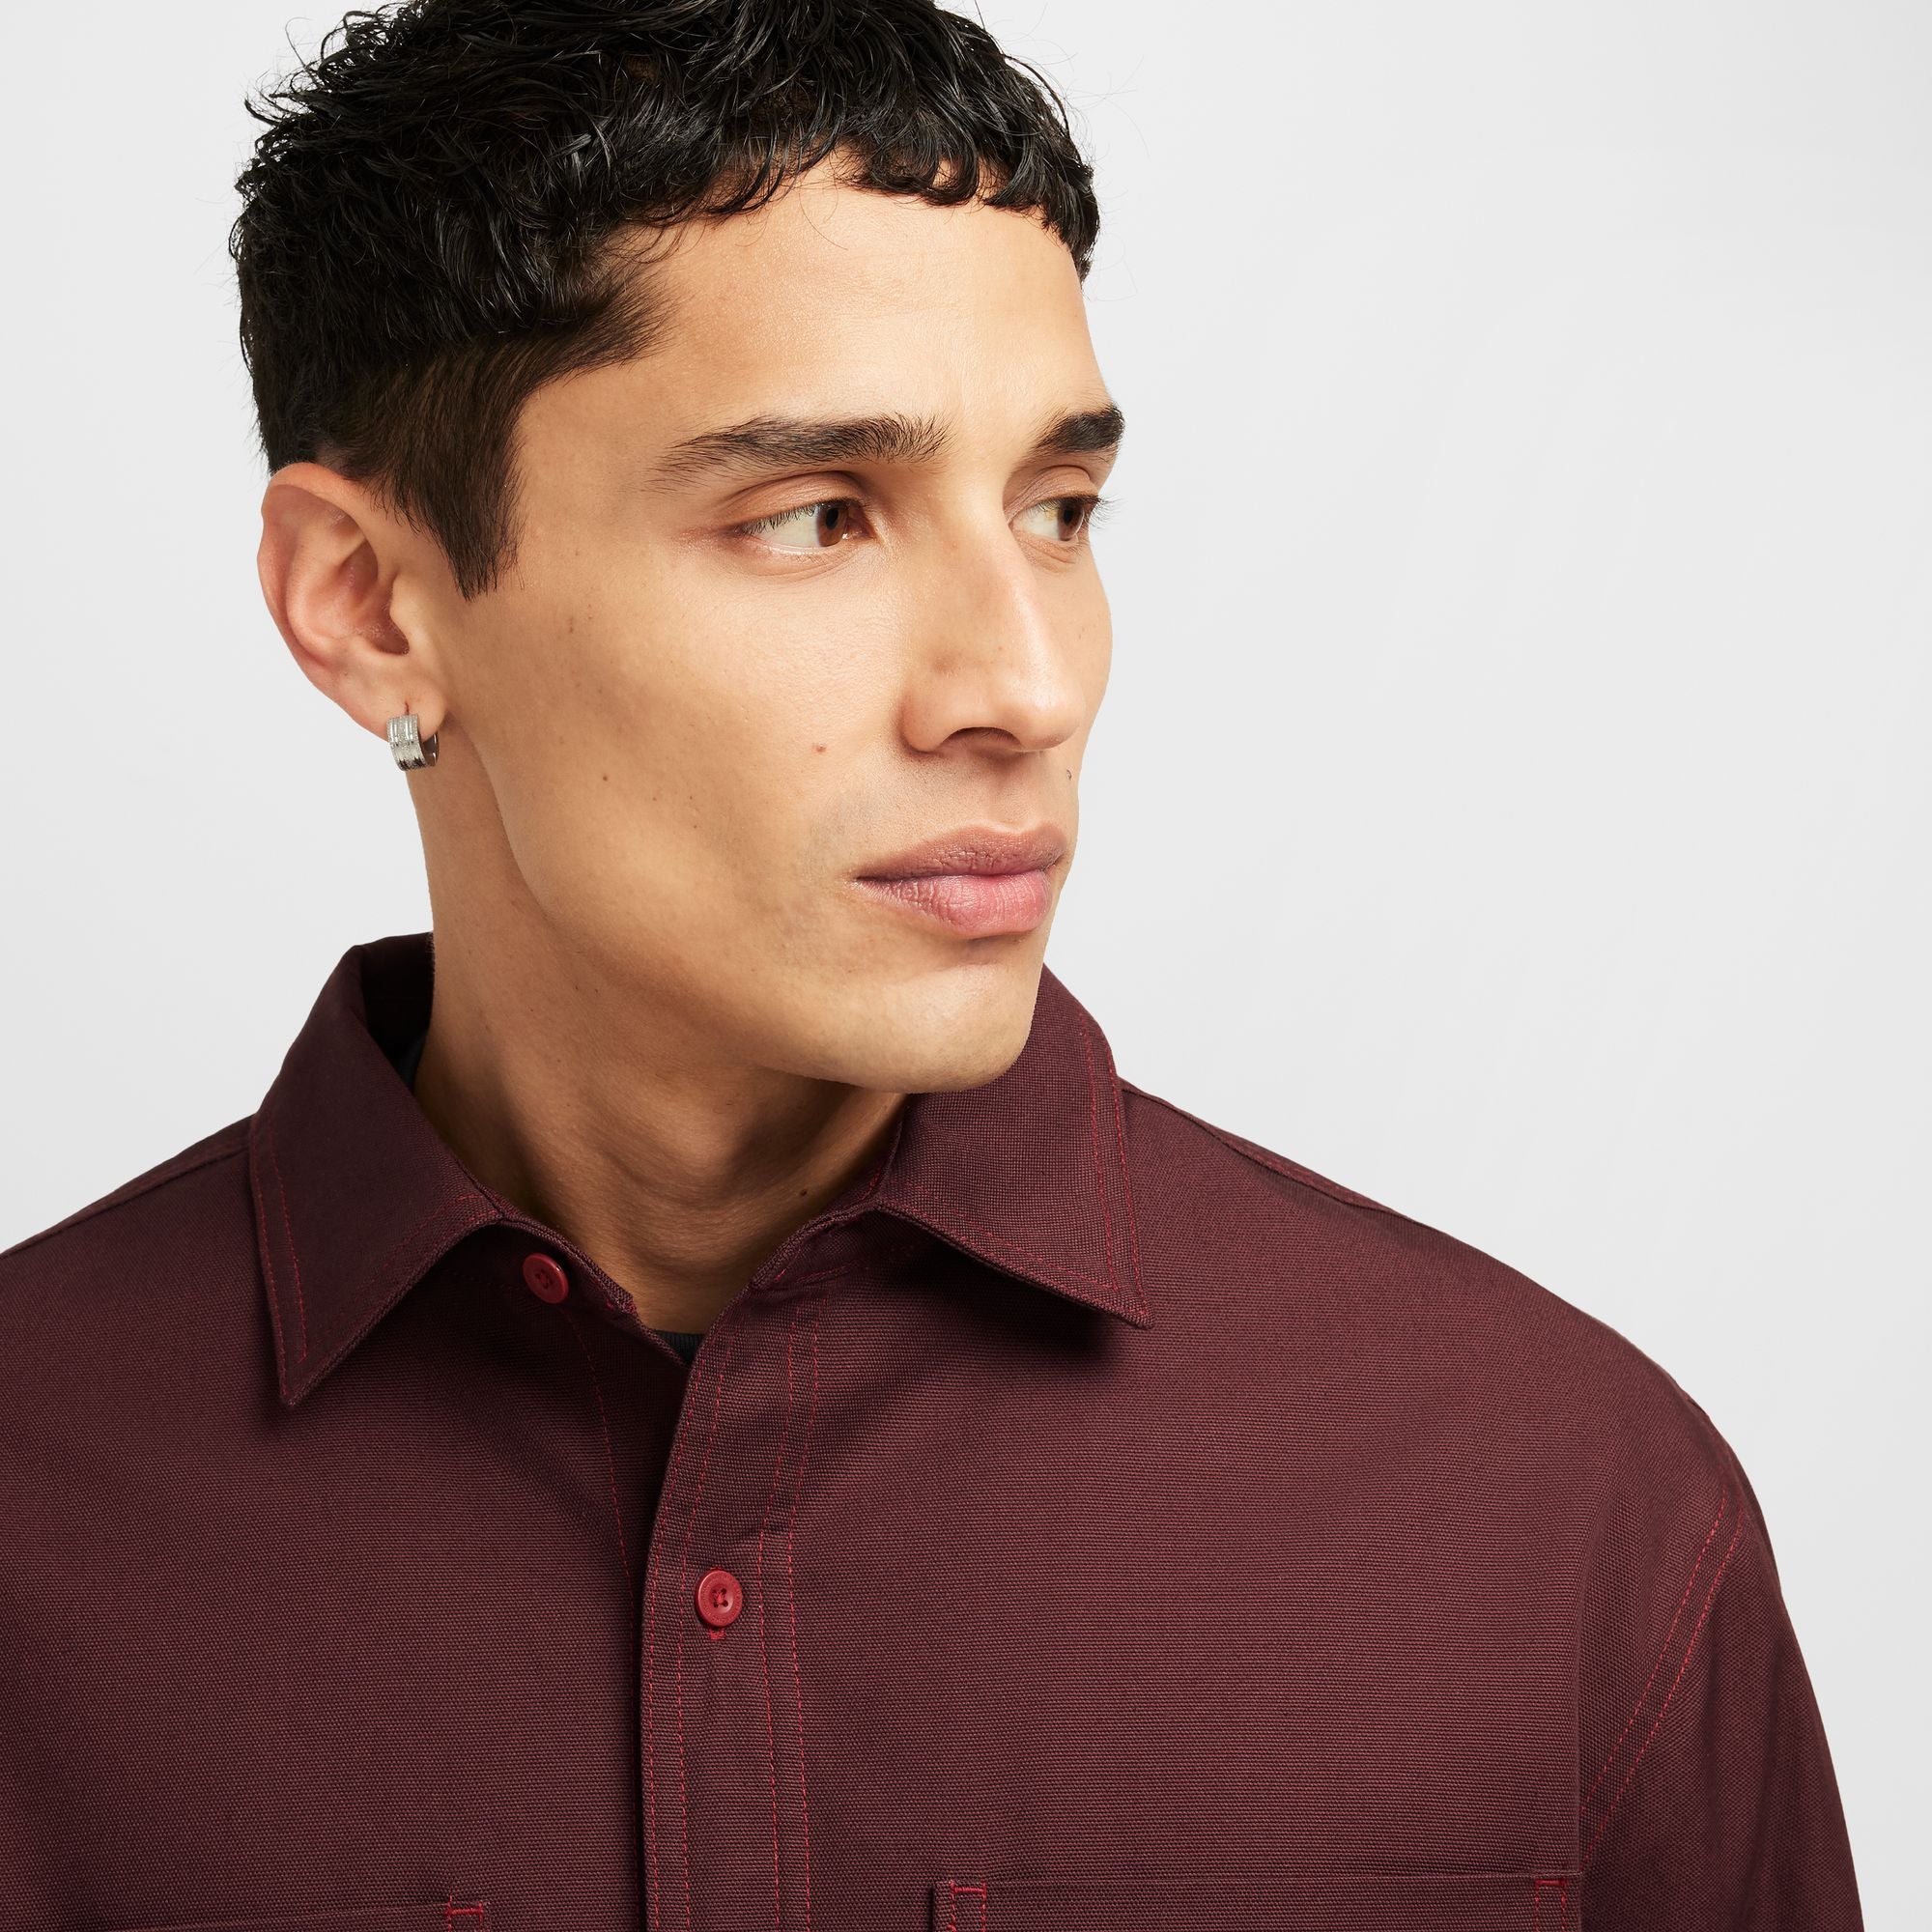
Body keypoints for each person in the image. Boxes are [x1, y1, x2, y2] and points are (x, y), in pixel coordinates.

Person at [0, 2, 1863, 1926]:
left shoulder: (1564, 1514)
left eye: (1058, 511)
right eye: (816, 518)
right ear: (368, 605)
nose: (1026, 687)